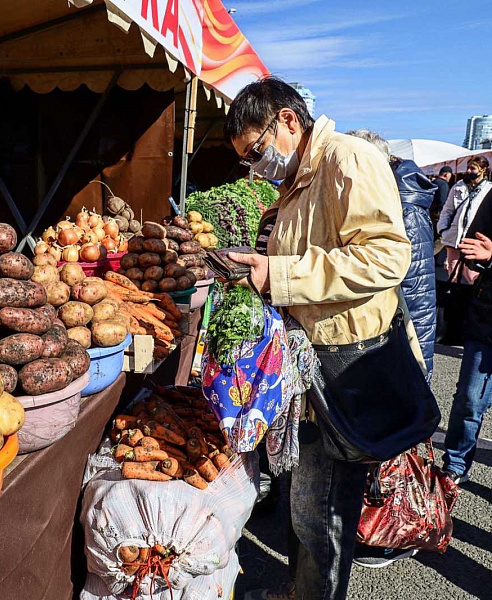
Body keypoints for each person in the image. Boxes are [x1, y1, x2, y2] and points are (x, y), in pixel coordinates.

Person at [223, 78, 416, 600]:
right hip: (311, 366)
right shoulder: (297, 180)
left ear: (288, 120)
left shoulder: (347, 159)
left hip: (345, 366)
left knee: (321, 512)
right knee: (305, 505)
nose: (255, 166)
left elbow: (386, 257)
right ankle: (299, 591)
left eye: (256, 151)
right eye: (247, 160)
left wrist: (279, 272)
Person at [344, 130, 437, 569]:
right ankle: (376, 528)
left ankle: (394, 533)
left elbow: (412, 295)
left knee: (395, 451)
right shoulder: (392, 205)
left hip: (402, 347)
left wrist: (413, 364)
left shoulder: (404, 213)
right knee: (381, 448)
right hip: (391, 344)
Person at [442, 185, 492, 484]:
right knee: (470, 400)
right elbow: (474, 247)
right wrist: (480, 258)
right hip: (486, 317)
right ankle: (456, 465)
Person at [438, 157, 491, 279]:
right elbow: (447, 209)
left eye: (473, 168)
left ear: (483, 169)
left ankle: (472, 298)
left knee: (472, 275)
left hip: (474, 240)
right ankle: (453, 296)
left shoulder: (488, 189)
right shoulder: (459, 186)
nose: (468, 171)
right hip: (454, 237)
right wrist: (443, 229)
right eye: (468, 167)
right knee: (453, 273)